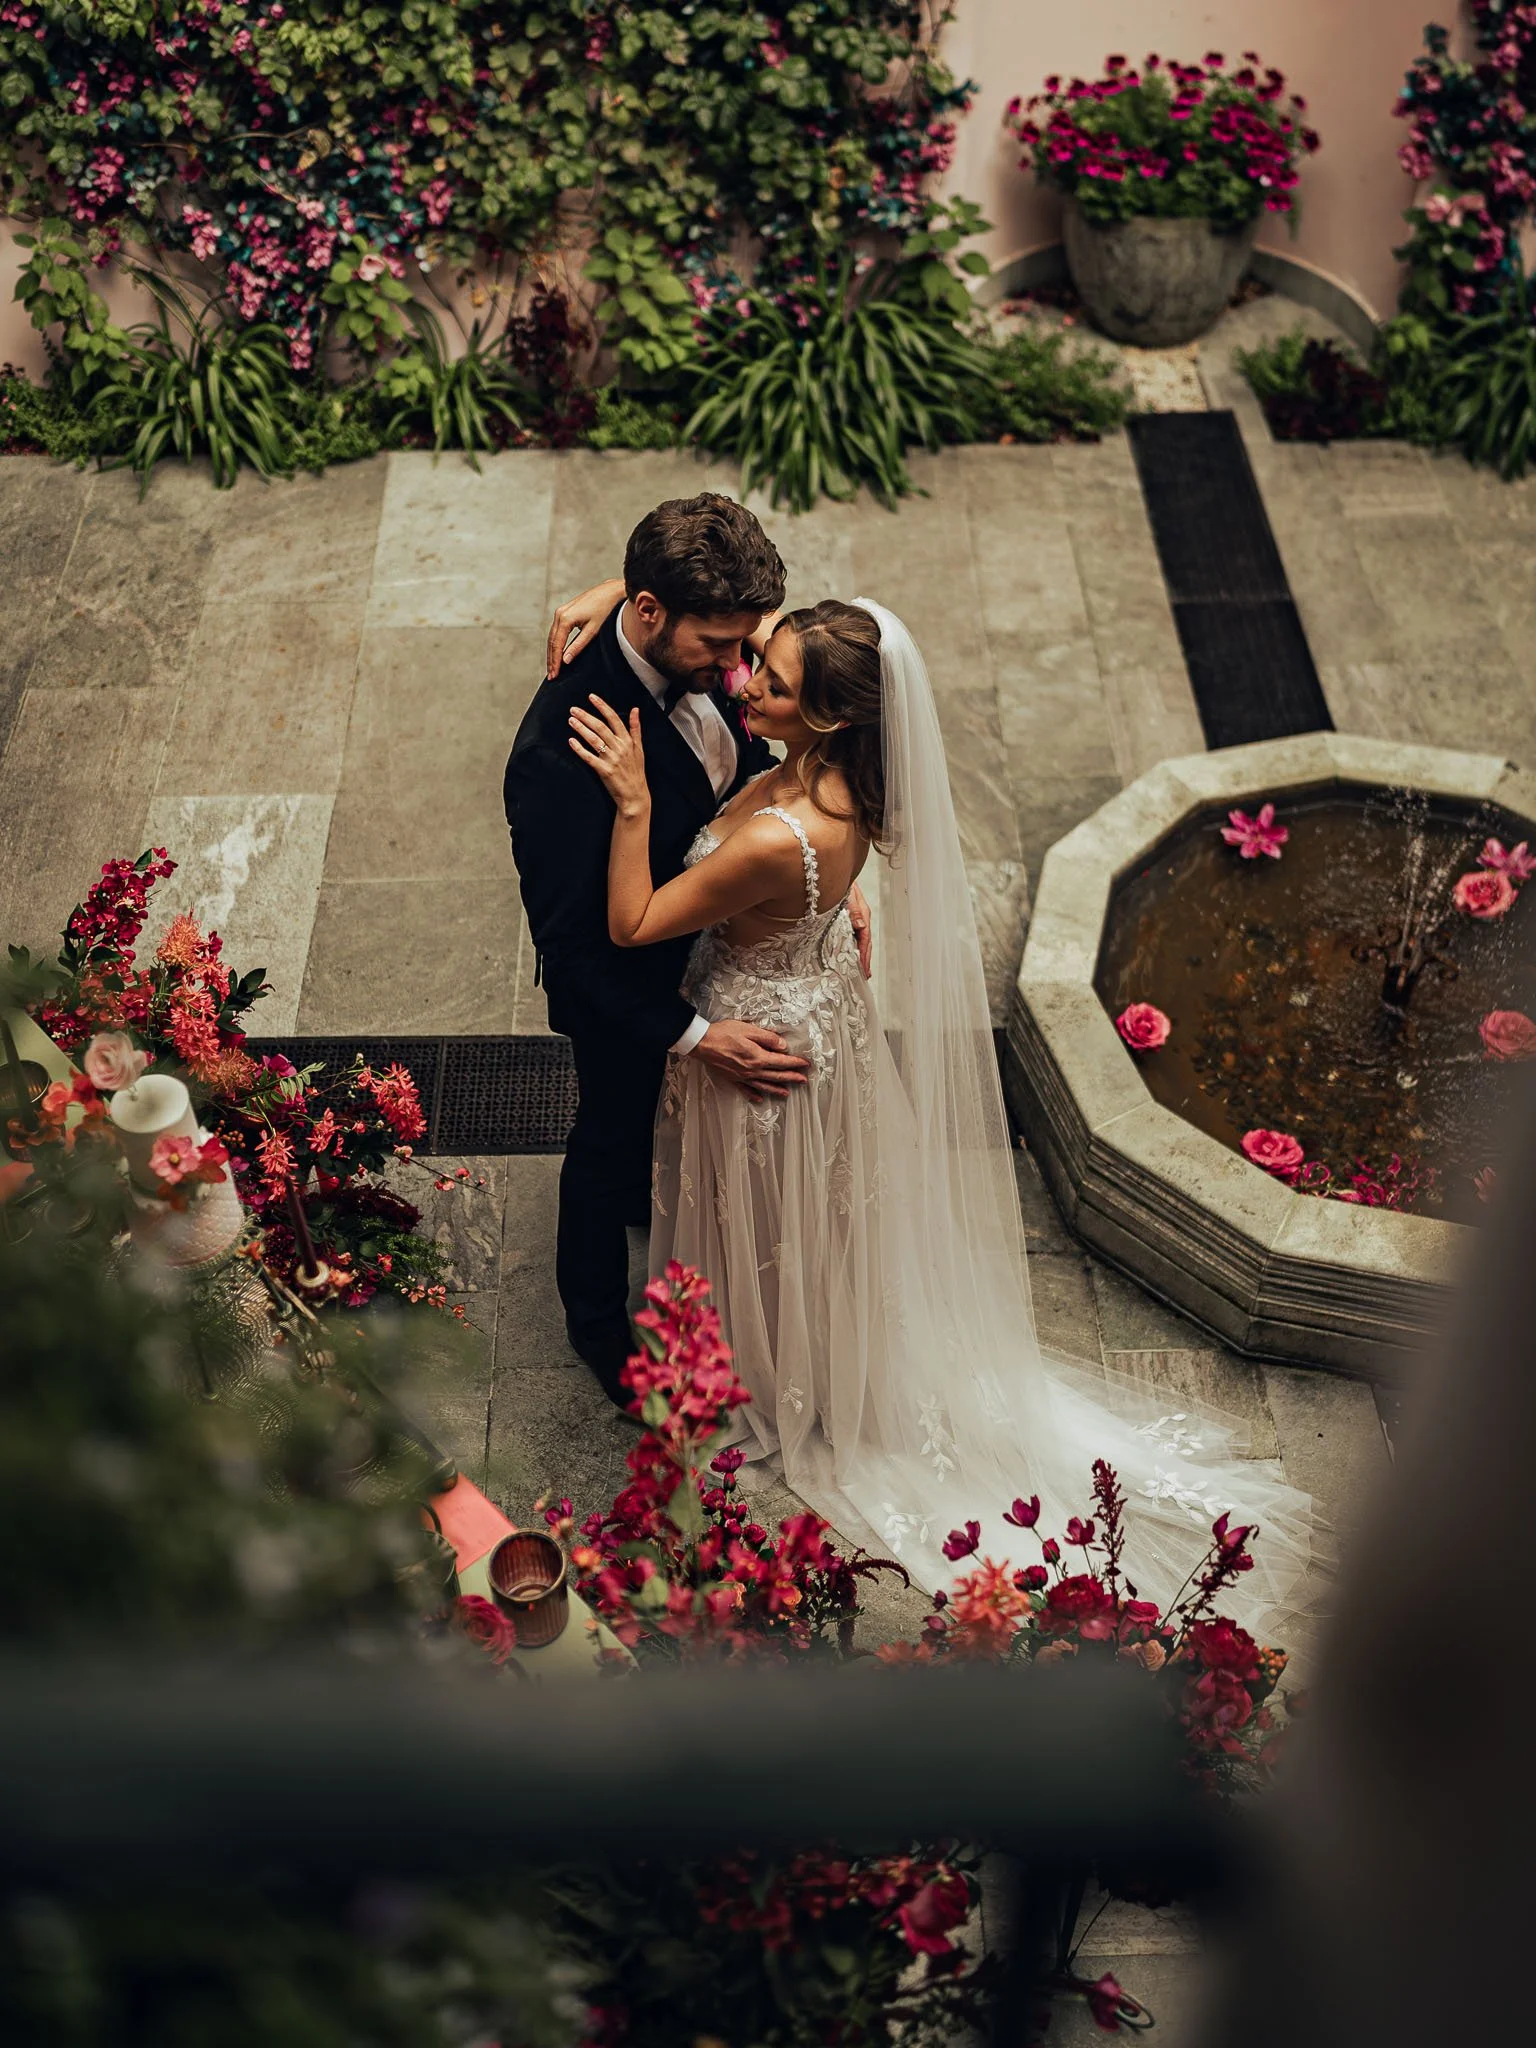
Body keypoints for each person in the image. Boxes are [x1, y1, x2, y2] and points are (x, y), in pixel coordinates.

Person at [551, 581, 1313, 1620]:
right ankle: (807, 1337)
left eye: (768, 681)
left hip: (760, 1042)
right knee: (811, 1216)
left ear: (830, 716)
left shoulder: (784, 835)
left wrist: (637, 804)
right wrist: (614, 589)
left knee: (768, 1214)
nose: (745, 682)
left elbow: (637, 920)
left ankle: (773, 1369)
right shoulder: (842, 785)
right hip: (816, 1002)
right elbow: (799, 809)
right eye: (756, 661)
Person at [504, 494, 871, 1408]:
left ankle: (660, 1208)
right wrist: (695, 1035)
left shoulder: (703, 640)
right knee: (606, 1143)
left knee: (663, 1152)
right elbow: (577, 947)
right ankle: (598, 1331)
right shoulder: (557, 756)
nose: (742, 675)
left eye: (751, 649)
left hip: (717, 934)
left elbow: (778, 732)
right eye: (720, 647)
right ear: (650, 614)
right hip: (632, 992)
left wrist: (812, 873)